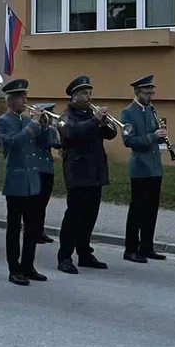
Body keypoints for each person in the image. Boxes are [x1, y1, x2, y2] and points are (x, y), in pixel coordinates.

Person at [57, 75, 117, 274]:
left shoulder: (90, 115)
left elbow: (111, 134)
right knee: (74, 216)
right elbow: (72, 134)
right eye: (84, 93)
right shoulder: (67, 116)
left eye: (89, 93)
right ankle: (64, 256)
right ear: (74, 96)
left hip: (95, 172)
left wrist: (106, 122)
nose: (88, 97)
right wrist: (95, 120)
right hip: (78, 172)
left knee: (90, 215)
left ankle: (84, 253)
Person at [0, 79, 52, 285]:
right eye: (20, 98)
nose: (24, 101)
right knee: (14, 228)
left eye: (25, 97)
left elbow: (46, 144)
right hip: (16, 180)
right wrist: (33, 125)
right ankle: (14, 269)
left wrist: (45, 127)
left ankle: (28, 266)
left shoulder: (30, 121)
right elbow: (12, 144)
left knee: (33, 227)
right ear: (10, 100)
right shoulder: (3, 120)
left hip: (33, 180)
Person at [120, 75, 168, 263]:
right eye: (147, 93)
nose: (150, 96)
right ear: (137, 92)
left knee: (151, 209)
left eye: (152, 93)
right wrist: (152, 136)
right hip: (140, 168)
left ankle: (147, 246)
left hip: (155, 167)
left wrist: (162, 136)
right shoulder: (128, 113)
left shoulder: (150, 110)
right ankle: (131, 249)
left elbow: (155, 135)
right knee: (137, 210)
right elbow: (128, 141)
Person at [34, 104, 59, 244]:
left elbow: (55, 143)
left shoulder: (52, 129)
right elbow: (41, 141)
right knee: (35, 203)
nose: (50, 116)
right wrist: (42, 126)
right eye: (48, 113)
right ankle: (33, 230)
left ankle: (40, 230)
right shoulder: (36, 128)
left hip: (48, 168)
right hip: (37, 168)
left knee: (43, 203)